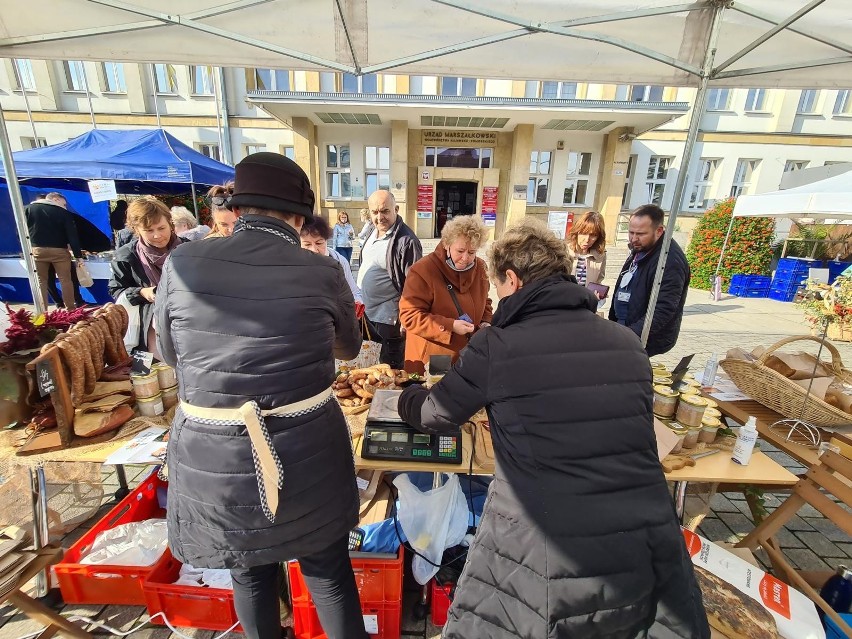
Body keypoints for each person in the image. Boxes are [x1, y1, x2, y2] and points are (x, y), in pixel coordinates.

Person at [398, 219, 709, 639]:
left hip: (545, 547)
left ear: (512, 280)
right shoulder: (627, 344)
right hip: (643, 541)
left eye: (501, 286)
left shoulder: (499, 347)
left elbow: (435, 414)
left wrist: (406, 398)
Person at [155, 152, 366, 639]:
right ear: (298, 218)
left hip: (215, 450)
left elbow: (170, 351)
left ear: (240, 206)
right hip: (306, 447)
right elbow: (348, 347)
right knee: (326, 569)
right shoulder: (321, 271)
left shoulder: (182, 261)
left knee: (247, 568)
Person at [399, 215, 492, 374]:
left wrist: (485, 321)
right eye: (460, 251)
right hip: (433, 356)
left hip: (468, 354)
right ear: (447, 245)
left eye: (472, 252)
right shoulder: (423, 270)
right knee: (434, 397)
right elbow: (409, 316)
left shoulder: (480, 268)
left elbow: (486, 300)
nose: (465, 258)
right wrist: (450, 326)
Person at [609, 204, 690, 357]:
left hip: (643, 337)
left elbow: (663, 309)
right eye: (631, 232)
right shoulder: (641, 248)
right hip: (626, 327)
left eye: (640, 234)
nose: (634, 239)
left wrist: (631, 335)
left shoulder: (669, 261)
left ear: (659, 231)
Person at [109, 197, 183, 355]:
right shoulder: (126, 256)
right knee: (149, 376)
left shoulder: (188, 249)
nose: (157, 236)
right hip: (147, 329)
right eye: (149, 231)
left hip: (186, 323)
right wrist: (142, 293)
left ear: (170, 223)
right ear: (136, 230)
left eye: (161, 228)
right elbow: (116, 290)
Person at [357, 190, 422, 369]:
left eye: (385, 211)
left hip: (388, 319)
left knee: (389, 372)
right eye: (375, 212)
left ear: (396, 209)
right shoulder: (372, 230)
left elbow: (415, 285)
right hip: (367, 315)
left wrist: (407, 318)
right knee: (369, 368)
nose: (380, 217)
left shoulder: (407, 241)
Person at [25, 192, 82, 310]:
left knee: (41, 282)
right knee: (66, 280)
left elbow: (20, 231)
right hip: (59, 251)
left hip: (36, 250)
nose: (65, 206)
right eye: (64, 203)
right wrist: (78, 256)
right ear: (56, 199)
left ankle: (42, 312)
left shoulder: (27, 209)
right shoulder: (63, 213)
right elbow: (72, 236)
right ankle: (70, 310)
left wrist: (25, 249)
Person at [300, 216, 363, 305]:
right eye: (307, 244)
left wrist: (356, 304)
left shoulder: (339, 261)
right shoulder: (294, 264)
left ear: (326, 240)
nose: (314, 249)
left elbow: (354, 292)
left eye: (319, 243)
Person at [566, 210, 607, 287]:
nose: (587, 239)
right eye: (584, 233)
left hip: (587, 298)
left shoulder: (600, 256)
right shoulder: (564, 253)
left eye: (593, 235)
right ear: (576, 232)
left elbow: (598, 282)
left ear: (598, 237)